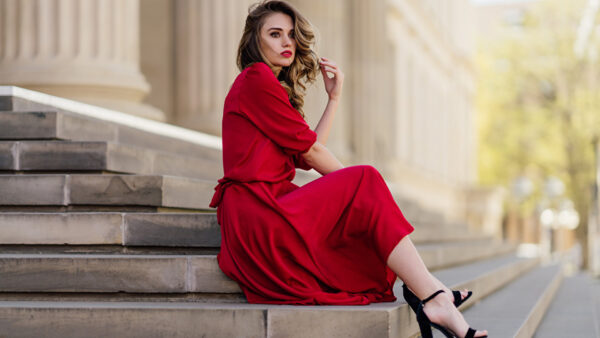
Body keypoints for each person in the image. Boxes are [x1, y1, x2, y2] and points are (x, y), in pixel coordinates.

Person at [209, 1, 488, 337]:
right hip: (256, 213)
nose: (287, 43)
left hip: (268, 207)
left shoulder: (267, 86)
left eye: (292, 35)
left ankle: (433, 295)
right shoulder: (256, 78)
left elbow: (306, 153)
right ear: (255, 40)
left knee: (362, 184)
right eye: (275, 34)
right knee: (365, 179)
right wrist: (357, 193)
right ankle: (433, 296)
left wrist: (334, 98)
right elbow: (312, 153)